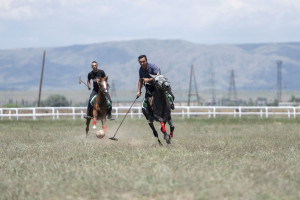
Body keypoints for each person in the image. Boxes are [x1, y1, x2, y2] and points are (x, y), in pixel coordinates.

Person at [137, 55, 175, 121]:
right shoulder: (140, 70)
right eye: (140, 62)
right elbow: (140, 80)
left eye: (143, 61)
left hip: (158, 85)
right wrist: (138, 91)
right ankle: (150, 116)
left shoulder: (153, 67)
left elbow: (158, 76)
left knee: (170, 95)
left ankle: (171, 104)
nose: (142, 63)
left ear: (146, 61)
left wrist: (148, 80)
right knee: (146, 103)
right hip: (149, 87)